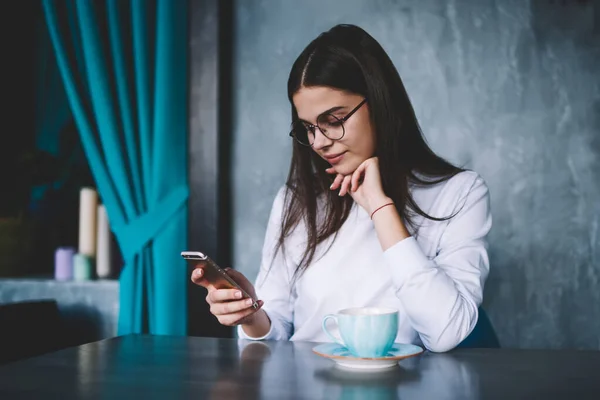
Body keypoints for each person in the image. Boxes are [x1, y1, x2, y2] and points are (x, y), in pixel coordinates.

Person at [191, 24, 492, 353]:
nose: (319, 142)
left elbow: (447, 332)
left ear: (379, 103)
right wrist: (250, 314)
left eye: (334, 119)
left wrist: (380, 209)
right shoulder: (297, 200)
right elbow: (275, 329)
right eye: (308, 127)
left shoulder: (459, 193)